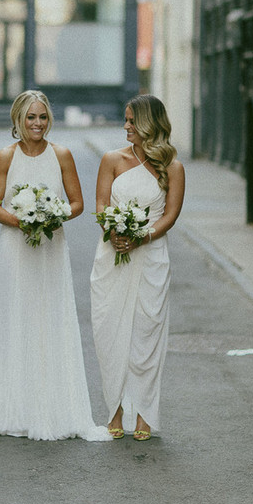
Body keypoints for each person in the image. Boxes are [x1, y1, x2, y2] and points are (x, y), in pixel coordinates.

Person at [0, 90, 109, 441]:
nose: (37, 124)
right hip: (14, 251)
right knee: (15, 322)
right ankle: (15, 410)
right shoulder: (4, 157)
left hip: (51, 248)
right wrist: (21, 221)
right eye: (30, 118)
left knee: (51, 321)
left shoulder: (62, 155)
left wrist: (52, 215)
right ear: (18, 120)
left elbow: (78, 203)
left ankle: (56, 410)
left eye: (42, 117)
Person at [90, 95, 185, 440]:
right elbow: (101, 204)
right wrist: (112, 230)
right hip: (111, 256)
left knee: (146, 334)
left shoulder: (171, 165)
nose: (126, 126)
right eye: (126, 120)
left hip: (151, 258)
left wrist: (142, 237)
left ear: (149, 123)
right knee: (109, 330)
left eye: (132, 121)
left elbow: (171, 215)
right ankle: (114, 409)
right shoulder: (112, 159)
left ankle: (143, 414)